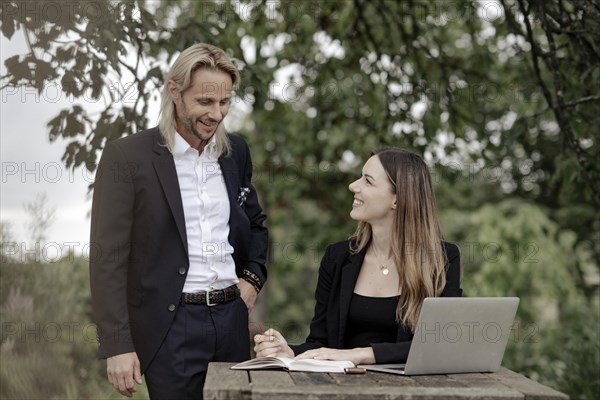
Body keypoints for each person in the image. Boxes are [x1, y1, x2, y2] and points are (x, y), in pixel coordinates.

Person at [89, 43, 268, 399]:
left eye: (224, 102)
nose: (216, 114)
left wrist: (252, 279)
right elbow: (107, 257)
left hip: (232, 322)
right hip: (171, 328)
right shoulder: (127, 157)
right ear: (175, 91)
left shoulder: (237, 151)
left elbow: (256, 224)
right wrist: (117, 344)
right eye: (205, 102)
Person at [253, 148, 461, 365]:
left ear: (397, 200)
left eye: (368, 181)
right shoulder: (337, 257)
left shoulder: (442, 259)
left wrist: (361, 354)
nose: (353, 186)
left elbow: (440, 345)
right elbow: (321, 343)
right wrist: (289, 353)